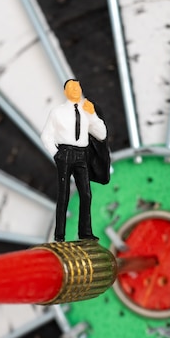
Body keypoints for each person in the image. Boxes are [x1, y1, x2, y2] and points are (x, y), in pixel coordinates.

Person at [41, 79, 108, 242]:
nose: (76, 90)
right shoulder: (57, 112)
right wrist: (56, 154)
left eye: (77, 87)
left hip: (81, 155)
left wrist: (92, 115)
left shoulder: (86, 111)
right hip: (65, 153)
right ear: (65, 92)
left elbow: (101, 134)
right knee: (63, 195)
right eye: (71, 87)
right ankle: (60, 235)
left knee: (86, 194)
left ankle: (85, 232)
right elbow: (46, 135)